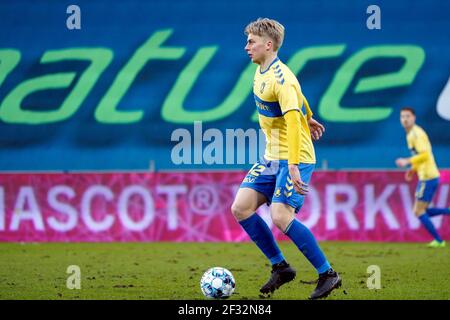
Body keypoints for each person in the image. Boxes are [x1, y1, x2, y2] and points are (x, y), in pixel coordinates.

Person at [231, 18, 341, 300]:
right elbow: (298, 100)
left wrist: (292, 165)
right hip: (271, 157)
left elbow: (293, 124)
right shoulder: (261, 71)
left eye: (251, 42)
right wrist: (309, 115)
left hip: (296, 156)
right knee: (241, 208)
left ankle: (327, 274)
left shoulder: (283, 79)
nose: (247, 47)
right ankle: (281, 268)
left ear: (268, 45)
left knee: (280, 215)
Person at [395, 107, 449, 248]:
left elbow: (425, 154)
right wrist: (413, 169)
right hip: (426, 175)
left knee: (419, 211)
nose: (405, 119)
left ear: (414, 117)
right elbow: (419, 156)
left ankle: (439, 240)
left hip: (428, 177)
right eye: (402, 117)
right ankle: (440, 235)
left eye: (408, 116)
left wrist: (407, 161)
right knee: (420, 211)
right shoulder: (410, 134)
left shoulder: (416, 134)